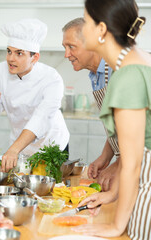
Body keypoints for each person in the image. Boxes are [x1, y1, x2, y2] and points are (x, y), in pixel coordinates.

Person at [73, 0, 151, 239]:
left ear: (101, 29)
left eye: (86, 21)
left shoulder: (128, 75)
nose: (83, 28)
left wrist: (116, 225)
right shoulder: (136, 61)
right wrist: (111, 194)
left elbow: (132, 162)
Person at [0, 18, 70, 172]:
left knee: (51, 190)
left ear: (35, 57)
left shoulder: (51, 78)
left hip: (51, 144)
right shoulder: (1, 70)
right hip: (21, 146)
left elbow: (41, 117)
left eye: (19, 53)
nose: (11, 59)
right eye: (9, 51)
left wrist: (13, 149)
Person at [62, 18, 119, 191]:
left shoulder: (117, 70)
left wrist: (120, 163)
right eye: (64, 47)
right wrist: (106, 156)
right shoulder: (96, 76)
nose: (66, 54)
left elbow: (140, 129)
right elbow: (116, 124)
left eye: (71, 47)